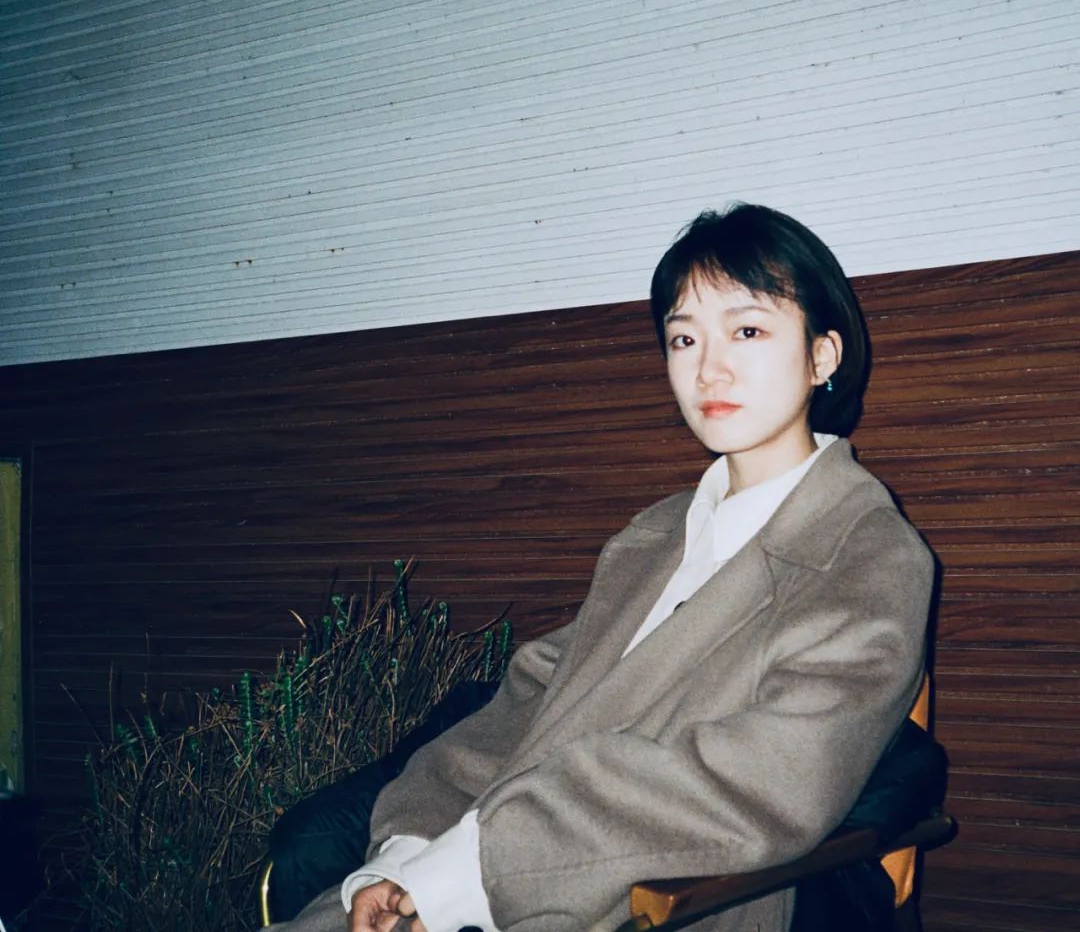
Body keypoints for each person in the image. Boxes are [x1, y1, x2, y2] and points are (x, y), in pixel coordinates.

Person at [273, 203, 935, 932]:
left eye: (747, 330)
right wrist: (405, 852)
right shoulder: (657, 533)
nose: (709, 368)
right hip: (473, 865)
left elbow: (769, 781)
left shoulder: (869, 553)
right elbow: (529, 702)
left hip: (652, 897)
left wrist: (470, 876)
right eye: (684, 338)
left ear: (823, 356)